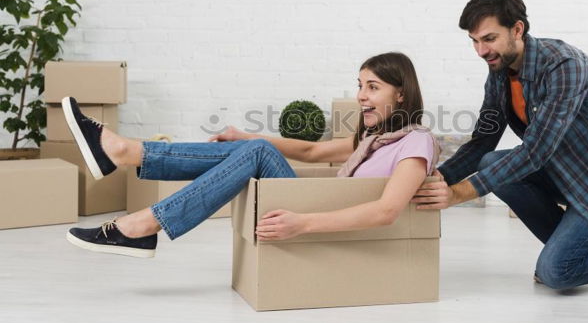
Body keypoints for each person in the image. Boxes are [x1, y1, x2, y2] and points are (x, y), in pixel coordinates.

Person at [413, 0, 588, 289]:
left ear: (517, 29)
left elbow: (536, 150)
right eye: (474, 41)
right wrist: (437, 180)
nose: (481, 51)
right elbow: (483, 142)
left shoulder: (565, 65)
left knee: (557, 273)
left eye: (489, 39)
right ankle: (572, 254)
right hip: (565, 174)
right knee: (490, 160)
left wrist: (460, 193)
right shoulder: (499, 72)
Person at [62, 52, 440, 258]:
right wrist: (243, 137)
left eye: (373, 87)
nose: (361, 96)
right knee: (254, 148)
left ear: (401, 94)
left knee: (257, 151)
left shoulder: (416, 142)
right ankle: (126, 158)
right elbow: (312, 150)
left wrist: (303, 224)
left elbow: (387, 211)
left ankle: (138, 204)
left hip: (321, 221)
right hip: (312, 208)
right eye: (360, 86)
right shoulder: (372, 137)